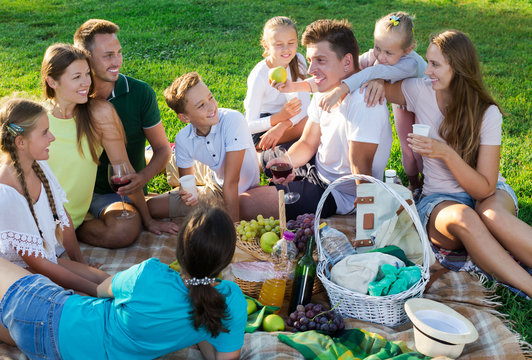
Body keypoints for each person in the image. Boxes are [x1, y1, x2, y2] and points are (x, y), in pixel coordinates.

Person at [379, 30, 532, 297]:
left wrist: (446, 153)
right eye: (427, 62)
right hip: (440, 202)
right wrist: (374, 82)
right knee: (465, 218)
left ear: (459, 68)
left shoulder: (486, 113)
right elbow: (379, 81)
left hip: (487, 192)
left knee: (492, 216)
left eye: (435, 64)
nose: (427, 71)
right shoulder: (419, 91)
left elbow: (484, 190)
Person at [0, 207, 247, 359]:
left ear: (180, 251)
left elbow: (99, 289)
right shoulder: (231, 302)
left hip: (53, 320)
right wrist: (201, 329)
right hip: (47, 348)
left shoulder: (149, 275)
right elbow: (222, 353)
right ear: (227, 259)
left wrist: (49, 266)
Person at [240, 19, 393, 221]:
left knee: (244, 203)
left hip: (336, 194)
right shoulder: (327, 89)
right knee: (258, 160)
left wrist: (367, 221)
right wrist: (287, 163)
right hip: (315, 167)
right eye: (311, 60)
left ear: (347, 61)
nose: (311, 69)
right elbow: (307, 142)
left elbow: (360, 169)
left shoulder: (365, 102)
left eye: (320, 60)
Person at [42, 43, 177, 250]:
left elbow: (123, 170)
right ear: (52, 81)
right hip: (40, 214)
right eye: (76, 77)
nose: (86, 82)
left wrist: (147, 220)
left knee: (125, 229)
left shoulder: (99, 113)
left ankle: (71, 232)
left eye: (87, 74)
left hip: (73, 214)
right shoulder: (37, 119)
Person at [279, 12, 426, 192]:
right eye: (377, 47)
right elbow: (355, 68)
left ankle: (424, 185)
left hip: (422, 106)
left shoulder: (409, 64)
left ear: (407, 50)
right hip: (399, 102)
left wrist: (344, 88)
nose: (380, 56)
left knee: (418, 151)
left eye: (388, 52)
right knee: (407, 150)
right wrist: (293, 86)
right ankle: (413, 182)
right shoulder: (377, 55)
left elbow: (370, 73)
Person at [73, 19, 178, 246]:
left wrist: (142, 178)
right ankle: (73, 224)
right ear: (86, 58)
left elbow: (163, 149)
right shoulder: (73, 96)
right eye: (108, 55)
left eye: (119, 53)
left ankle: (76, 226)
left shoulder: (140, 93)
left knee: (127, 227)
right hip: (80, 192)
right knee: (126, 228)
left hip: (119, 191)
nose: (117, 61)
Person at [0, 98, 109, 297]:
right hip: (17, 278)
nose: (52, 137)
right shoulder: (6, 194)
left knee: (106, 279)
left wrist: (79, 263)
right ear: (20, 142)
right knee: (89, 296)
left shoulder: (39, 166)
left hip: (46, 264)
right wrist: (93, 289)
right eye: (44, 133)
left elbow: (62, 217)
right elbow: (38, 264)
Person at [147, 72, 260, 222]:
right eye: (201, 105)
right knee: (152, 207)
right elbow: (187, 184)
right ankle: (147, 154)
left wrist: (234, 230)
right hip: (214, 179)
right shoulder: (183, 138)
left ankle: (155, 155)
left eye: (210, 97)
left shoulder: (233, 120)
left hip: (229, 185)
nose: (211, 107)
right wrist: (188, 195)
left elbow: (231, 182)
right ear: (184, 117)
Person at [244, 16, 310, 151]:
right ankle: (264, 155)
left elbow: (305, 106)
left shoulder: (299, 61)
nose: (286, 49)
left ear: (297, 41)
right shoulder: (259, 76)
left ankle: (280, 150)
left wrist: (283, 124)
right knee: (312, 125)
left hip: (291, 118)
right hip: (264, 128)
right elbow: (249, 125)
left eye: (291, 43)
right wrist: (278, 118)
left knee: (315, 119)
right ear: (266, 45)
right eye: (279, 44)